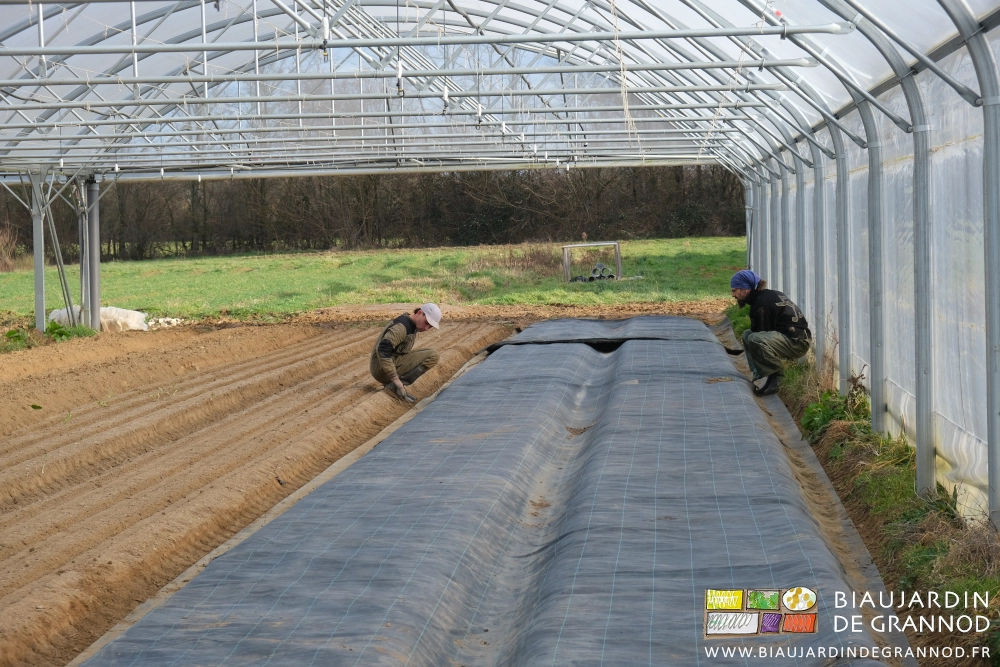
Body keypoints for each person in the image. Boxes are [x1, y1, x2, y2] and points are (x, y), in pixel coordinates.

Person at [730, 270, 811, 397]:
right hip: (792, 337)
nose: (733, 295)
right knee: (747, 335)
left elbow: (761, 334)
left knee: (754, 339)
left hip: (797, 343)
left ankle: (775, 378)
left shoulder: (761, 305)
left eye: (735, 290)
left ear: (746, 289)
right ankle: (758, 373)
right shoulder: (767, 296)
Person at [370, 303, 442, 403]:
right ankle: (396, 386)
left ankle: (395, 385)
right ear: (420, 313)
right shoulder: (402, 327)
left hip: (386, 364)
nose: (426, 328)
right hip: (381, 368)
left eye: (430, 327)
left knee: (430, 353)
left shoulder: (411, 324)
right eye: (426, 323)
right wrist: (396, 380)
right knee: (432, 356)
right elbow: (383, 349)